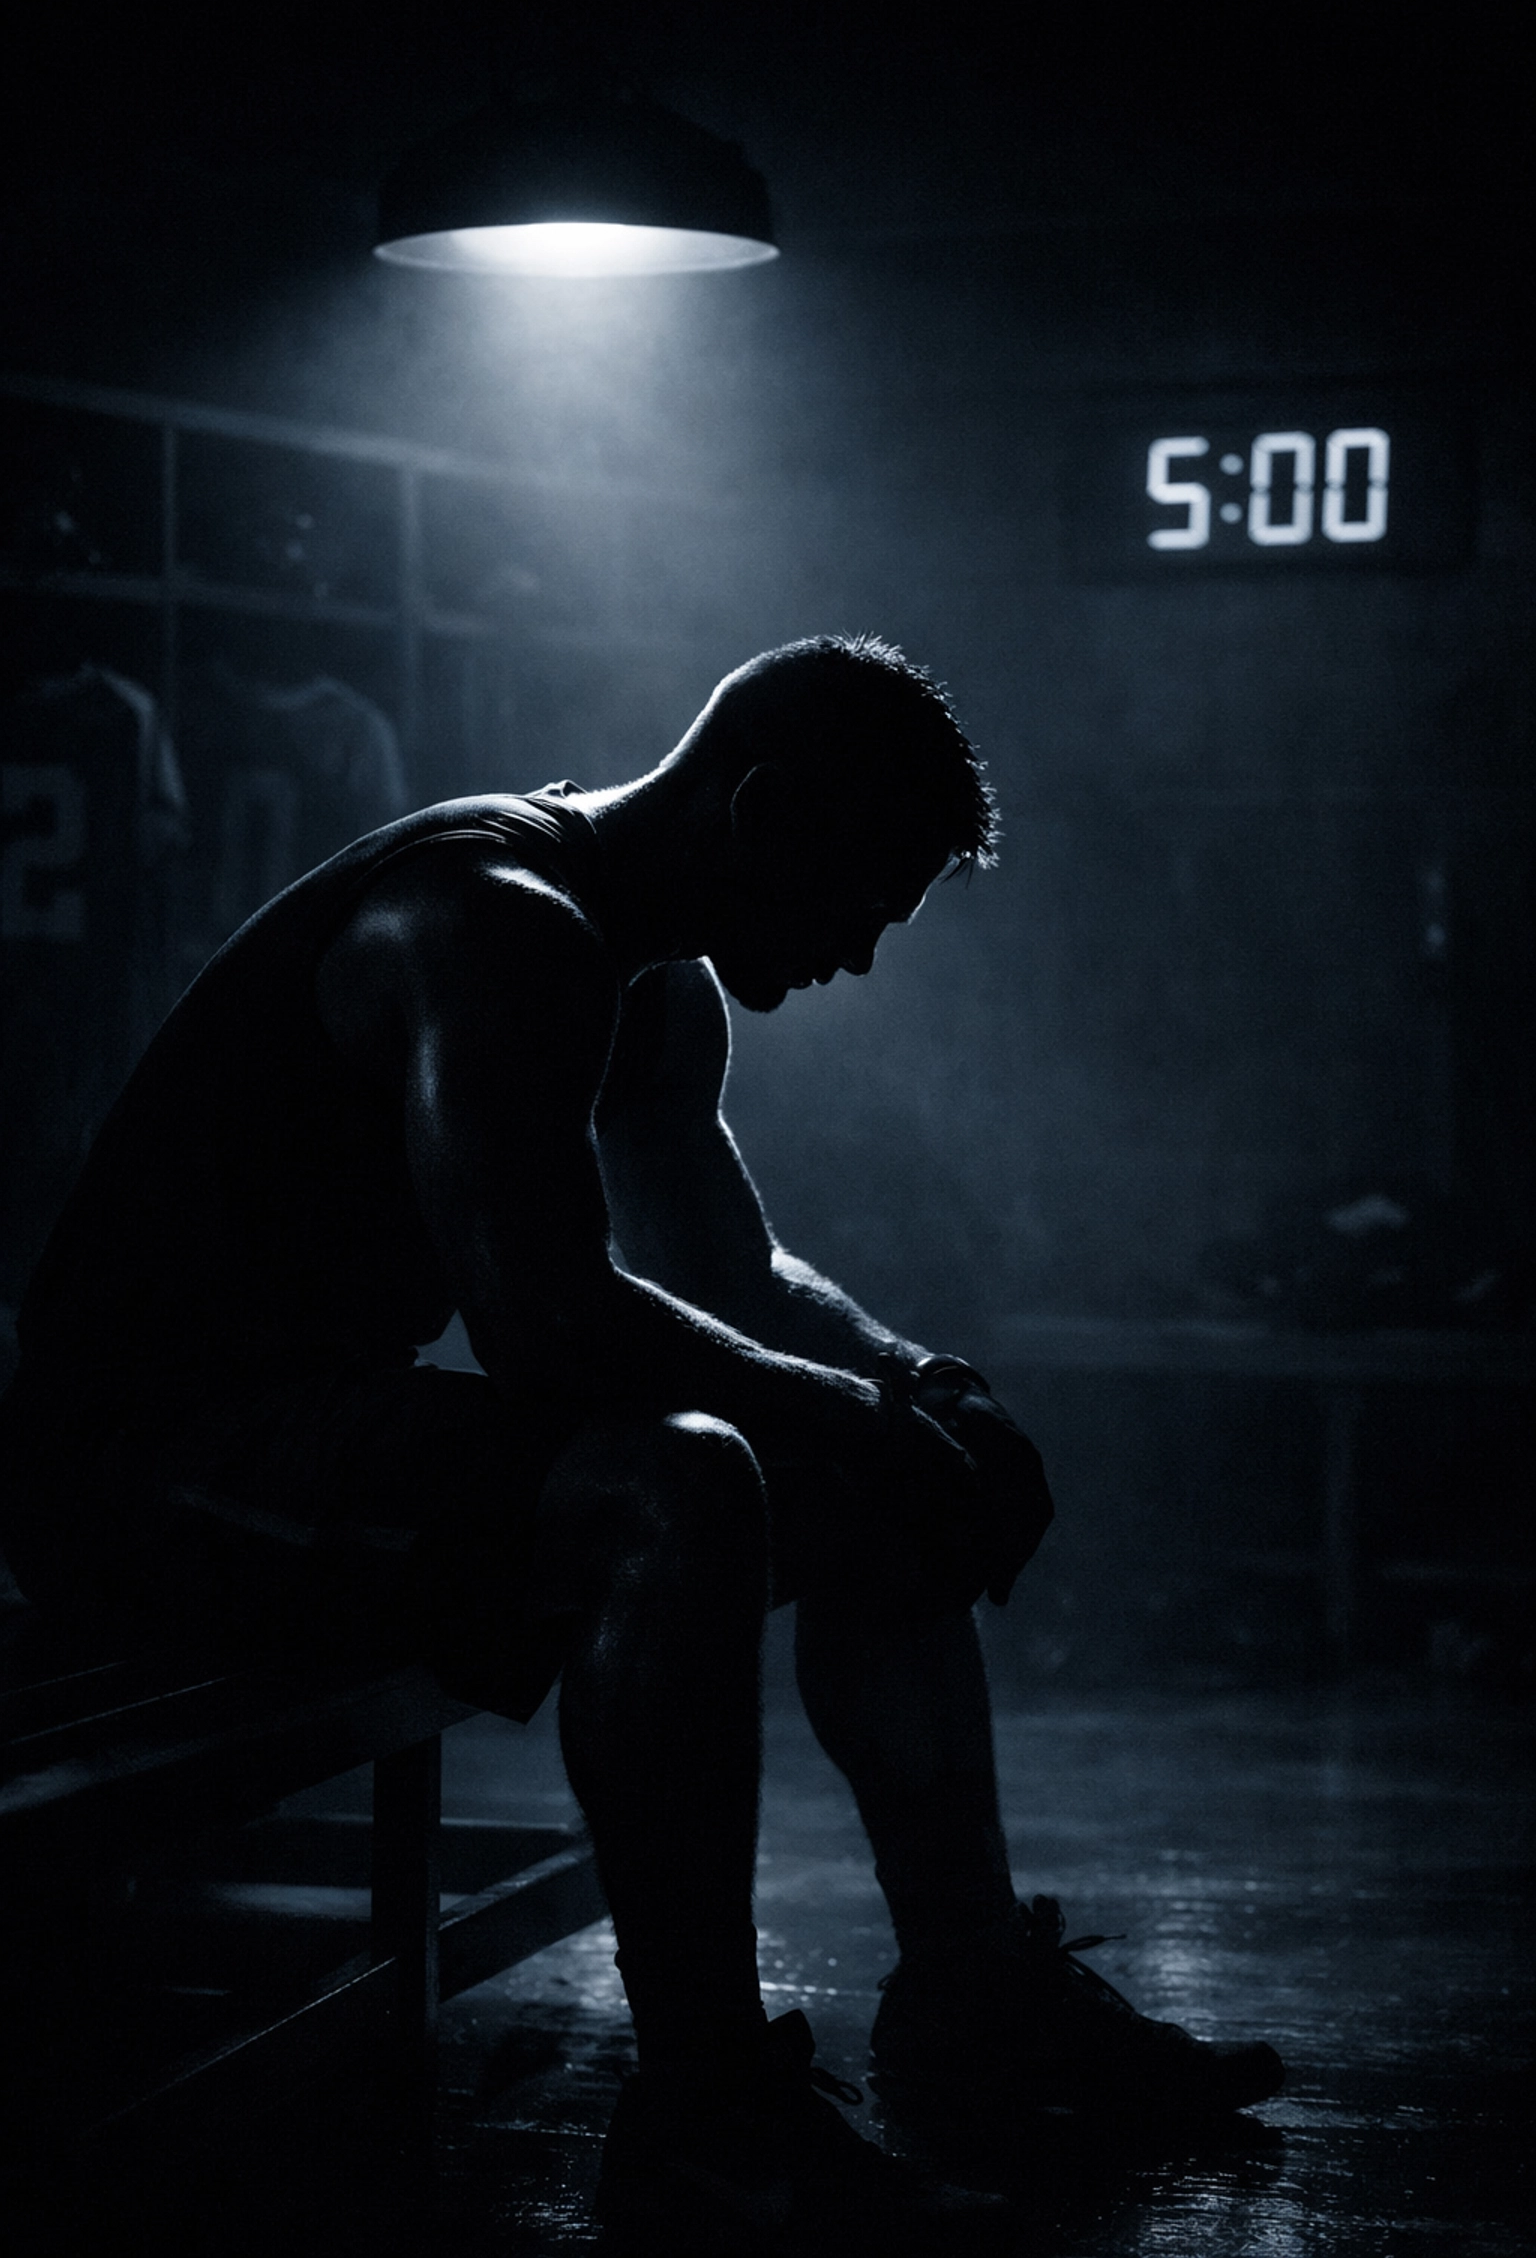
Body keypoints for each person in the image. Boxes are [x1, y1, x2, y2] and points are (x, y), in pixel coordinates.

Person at [0, 635, 1282, 2248]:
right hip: (131, 1466)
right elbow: (547, 1326)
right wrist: (864, 1425)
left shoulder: (647, 977)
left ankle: (969, 1987)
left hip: (307, 1428)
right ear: (761, 814)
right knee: (678, 1485)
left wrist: (917, 1383)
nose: (863, 957)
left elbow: (724, 1278)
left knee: (871, 1466)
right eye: (863, 899)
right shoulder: (495, 924)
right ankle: (703, 2113)